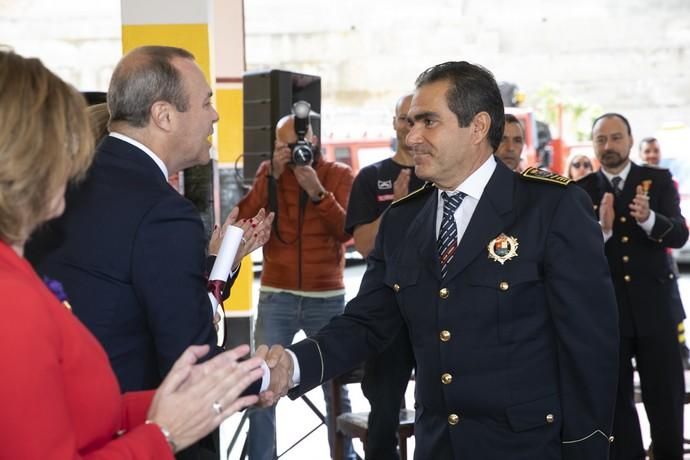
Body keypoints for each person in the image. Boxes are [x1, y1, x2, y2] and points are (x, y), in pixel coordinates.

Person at [263, 61, 620, 460]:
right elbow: (367, 321)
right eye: (411, 122)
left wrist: (585, 450)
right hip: (438, 447)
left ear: (478, 127)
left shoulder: (549, 207)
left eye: (428, 122)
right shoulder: (402, 219)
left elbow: (590, 346)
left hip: (527, 446)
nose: (411, 136)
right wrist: (292, 365)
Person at [0, 47, 265, 459]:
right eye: (62, 144)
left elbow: (79, 406)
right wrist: (164, 435)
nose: (75, 160)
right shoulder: (12, 298)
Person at [237, 113, 356, 460]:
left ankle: (343, 455)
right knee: (261, 382)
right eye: (281, 146)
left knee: (336, 385)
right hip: (278, 295)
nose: (290, 153)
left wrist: (317, 191)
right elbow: (246, 219)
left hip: (326, 296)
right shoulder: (269, 175)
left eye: (294, 145)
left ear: (313, 142)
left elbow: (347, 231)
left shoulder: (339, 175)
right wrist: (270, 178)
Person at [576, 113, 688, 460]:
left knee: (666, 399)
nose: (608, 146)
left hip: (657, 311)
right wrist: (603, 232)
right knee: (616, 402)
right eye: (601, 139)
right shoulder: (581, 190)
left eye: (615, 137)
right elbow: (574, 255)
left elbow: (681, 233)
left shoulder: (656, 178)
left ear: (629, 139)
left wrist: (650, 219)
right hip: (609, 315)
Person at [344, 92, 422, 460]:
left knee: (439, 407)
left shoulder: (442, 175)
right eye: (404, 118)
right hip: (387, 307)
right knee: (384, 410)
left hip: (433, 310)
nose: (411, 126)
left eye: (420, 118)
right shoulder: (371, 177)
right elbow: (363, 245)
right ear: (394, 123)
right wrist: (396, 207)